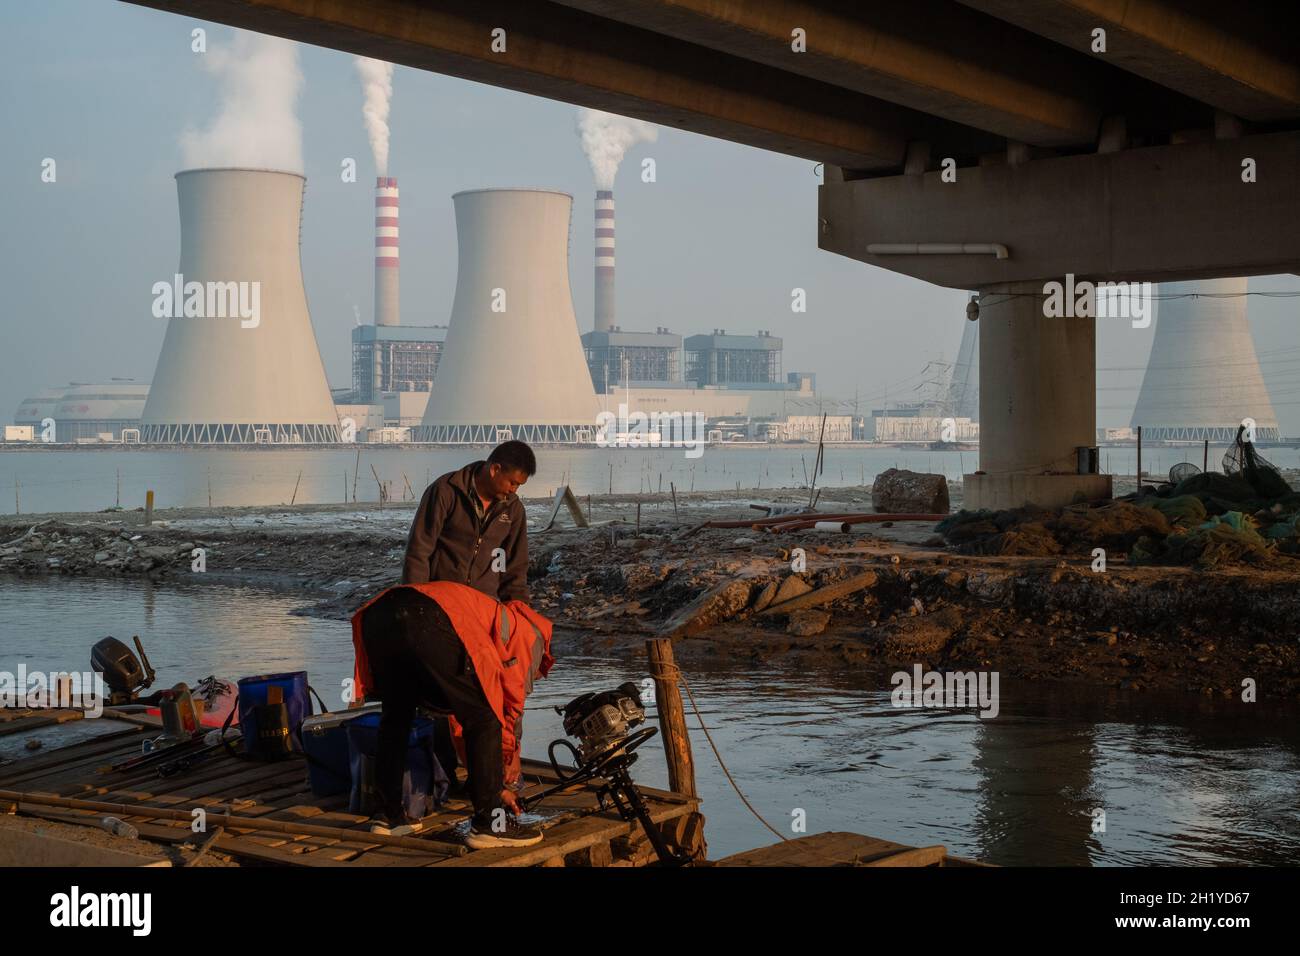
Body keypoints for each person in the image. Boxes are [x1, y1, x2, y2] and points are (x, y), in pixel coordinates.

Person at [352, 580, 553, 848]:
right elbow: (506, 709)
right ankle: (490, 824)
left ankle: (388, 816)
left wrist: (489, 777)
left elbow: (461, 716)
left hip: (380, 614)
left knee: (396, 717)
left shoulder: (493, 615)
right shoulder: (528, 636)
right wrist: (506, 771)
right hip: (427, 617)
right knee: (484, 717)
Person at [401, 440, 536, 789]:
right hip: (440, 610)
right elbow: (420, 550)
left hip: (486, 612)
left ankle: (501, 776)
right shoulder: (446, 492)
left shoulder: (512, 509)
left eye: (519, 486)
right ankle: (444, 775)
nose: (513, 490)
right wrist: (415, 608)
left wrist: (515, 611)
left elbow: (512, 564)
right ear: (494, 470)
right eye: (512, 483)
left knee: (501, 691)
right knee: (441, 693)